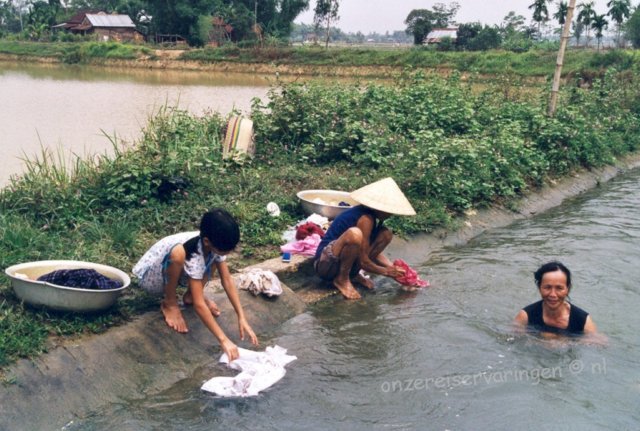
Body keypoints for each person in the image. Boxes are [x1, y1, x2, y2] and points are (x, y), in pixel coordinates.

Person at [132, 208, 258, 360]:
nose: (229, 253)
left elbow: (227, 280)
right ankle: (170, 303)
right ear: (206, 241)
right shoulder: (194, 255)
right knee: (178, 254)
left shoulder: (210, 242)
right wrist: (224, 340)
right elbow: (199, 306)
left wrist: (241, 316)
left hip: (178, 271)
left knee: (216, 259)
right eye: (225, 250)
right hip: (152, 277)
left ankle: (190, 295)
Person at [314, 177, 416, 300]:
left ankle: (353, 274)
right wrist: (386, 272)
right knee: (354, 234)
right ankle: (342, 279)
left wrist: (396, 271)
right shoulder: (365, 219)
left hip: (344, 261)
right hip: (326, 265)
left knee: (386, 234)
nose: (391, 214)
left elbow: (366, 250)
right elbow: (363, 261)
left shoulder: (374, 219)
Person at [514, 261, 600, 339]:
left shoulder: (582, 320)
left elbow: (600, 343)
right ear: (539, 288)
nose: (553, 294)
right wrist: (543, 342)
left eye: (559, 288)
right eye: (547, 287)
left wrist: (565, 342)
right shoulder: (525, 316)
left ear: (568, 289)